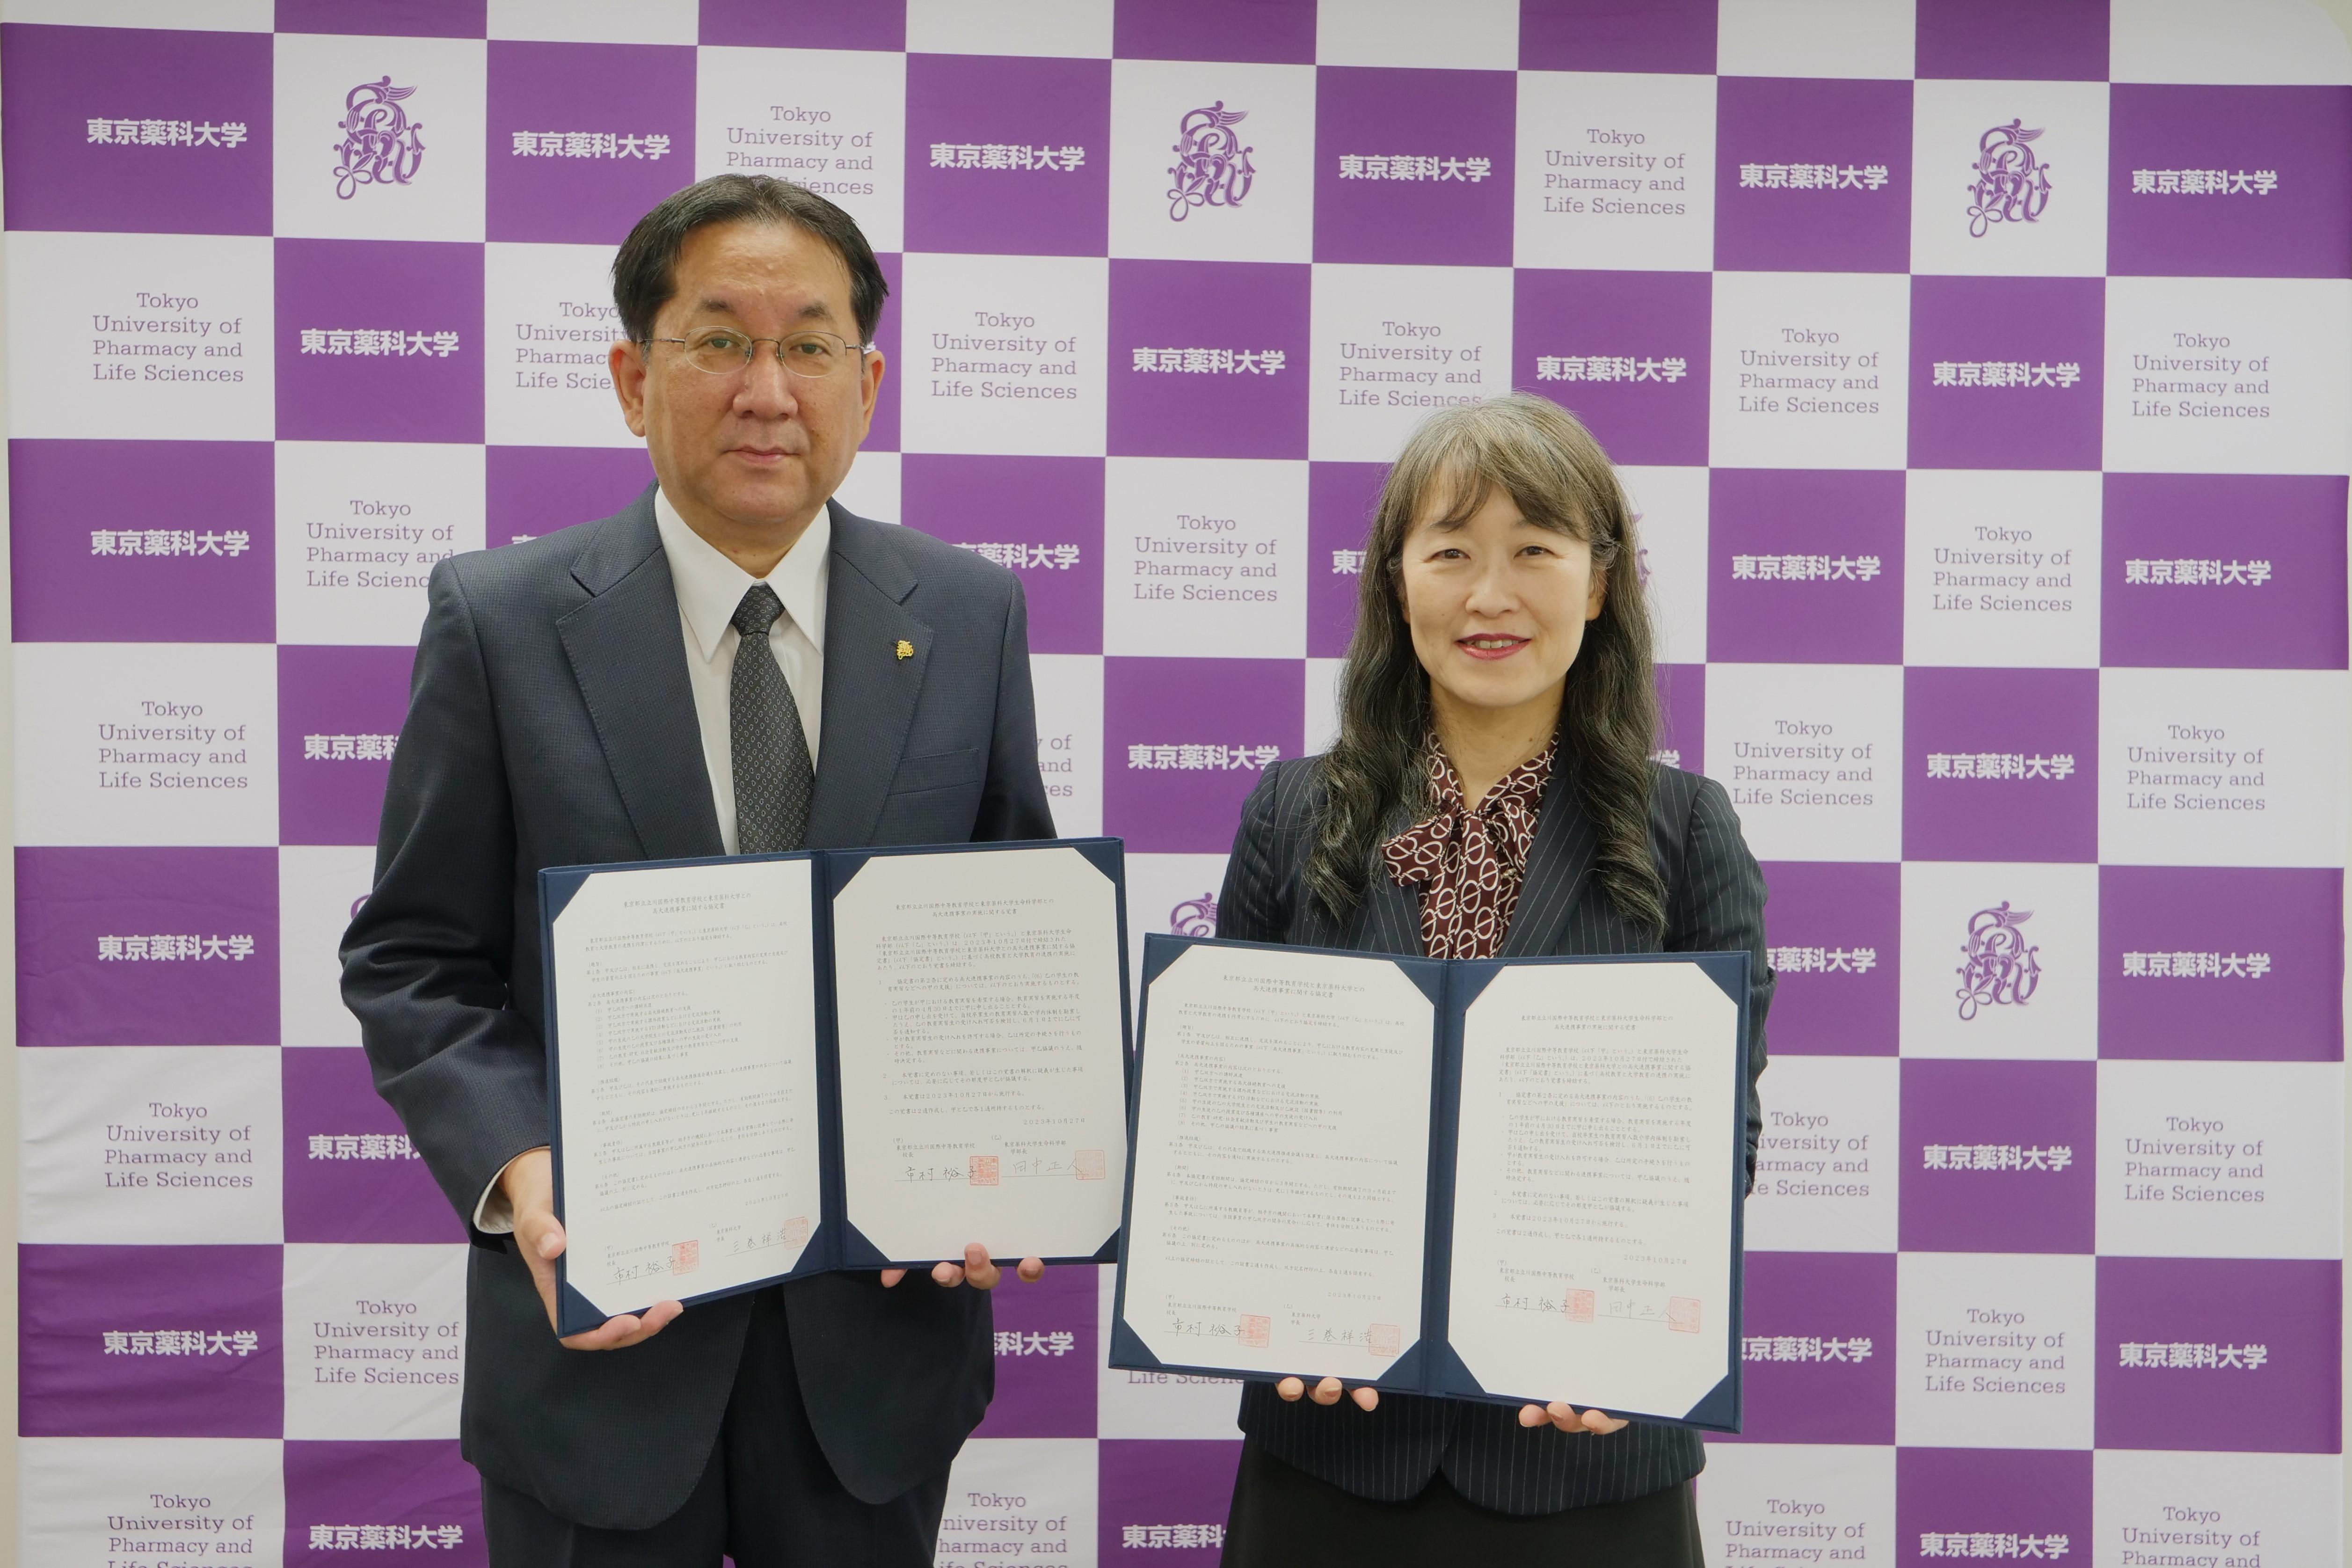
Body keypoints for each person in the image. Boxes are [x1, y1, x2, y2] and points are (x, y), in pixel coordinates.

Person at [340, 175, 1056, 1565]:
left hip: (872, 1361)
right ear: (631, 375)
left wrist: (1008, 1156)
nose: (766, 389)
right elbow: (414, 958)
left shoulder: (970, 613)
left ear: (868, 380)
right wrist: (520, 1170)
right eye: (717, 339)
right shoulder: (499, 621)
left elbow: (1005, 933)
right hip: (601, 1357)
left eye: (809, 344)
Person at [1211, 393, 1771, 1561]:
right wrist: (1272, 1286)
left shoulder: (1687, 830)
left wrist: (1625, 1334)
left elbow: (1721, 1140)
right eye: (1451, 551)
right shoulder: (1289, 810)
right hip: (1335, 1440)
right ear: (1395, 581)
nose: (1491, 594)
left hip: (1588, 1449)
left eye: (1536, 551)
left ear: (1600, 581)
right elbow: (1233, 1116)